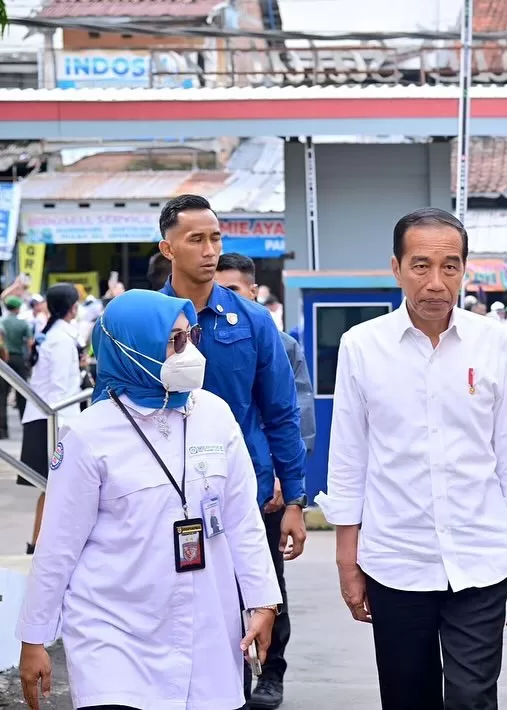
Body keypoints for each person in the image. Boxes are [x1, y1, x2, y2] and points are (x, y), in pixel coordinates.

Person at [316, 207, 507, 710]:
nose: (436, 282)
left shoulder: (492, 342)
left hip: (480, 557)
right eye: (421, 266)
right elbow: (349, 457)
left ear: (464, 270)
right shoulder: (362, 346)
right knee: (407, 698)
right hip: (396, 558)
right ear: (396, 268)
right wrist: (347, 558)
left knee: (471, 698)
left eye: (450, 266)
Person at [16, 289, 281, 710]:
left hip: (207, 628)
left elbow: (242, 519)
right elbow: (58, 546)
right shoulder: (89, 434)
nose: (189, 351)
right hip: (113, 632)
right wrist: (34, 638)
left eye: (191, 336)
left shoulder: (215, 415)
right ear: (131, 349)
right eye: (174, 341)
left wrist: (263, 600)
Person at [149, 195, 306, 707]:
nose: (209, 249)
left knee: (255, 597)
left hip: (245, 494)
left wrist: (295, 499)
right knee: (178, 611)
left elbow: (281, 412)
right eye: (196, 239)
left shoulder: (253, 321)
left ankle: (262, 679)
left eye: (215, 238)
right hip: (164, 492)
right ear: (168, 248)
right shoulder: (146, 321)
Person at [214, 252, 316, 710]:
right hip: (211, 485)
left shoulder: (282, 345)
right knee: (216, 590)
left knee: (267, 585)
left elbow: (296, 417)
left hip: (265, 490)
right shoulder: (195, 339)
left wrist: (285, 483)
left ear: (254, 292)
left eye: (234, 290)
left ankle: (271, 673)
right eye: (219, 291)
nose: (225, 301)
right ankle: (228, 680)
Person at [19, 284, 82, 555]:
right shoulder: (61, 339)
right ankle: (39, 546)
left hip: (46, 419)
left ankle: (39, 545)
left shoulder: (56, 334)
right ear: (72, 308)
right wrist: (66, 433)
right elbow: (59, 392)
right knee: (53, 487)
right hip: (52, 421)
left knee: (53, 488)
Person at [1, 296, 34, 425]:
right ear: (18, 308)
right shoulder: (23, 324)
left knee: (2, 394)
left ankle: (2, 429)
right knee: (22, 392)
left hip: (3, 361)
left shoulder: (1, 322)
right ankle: (25, 423)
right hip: (19, 359)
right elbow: (30, 344)